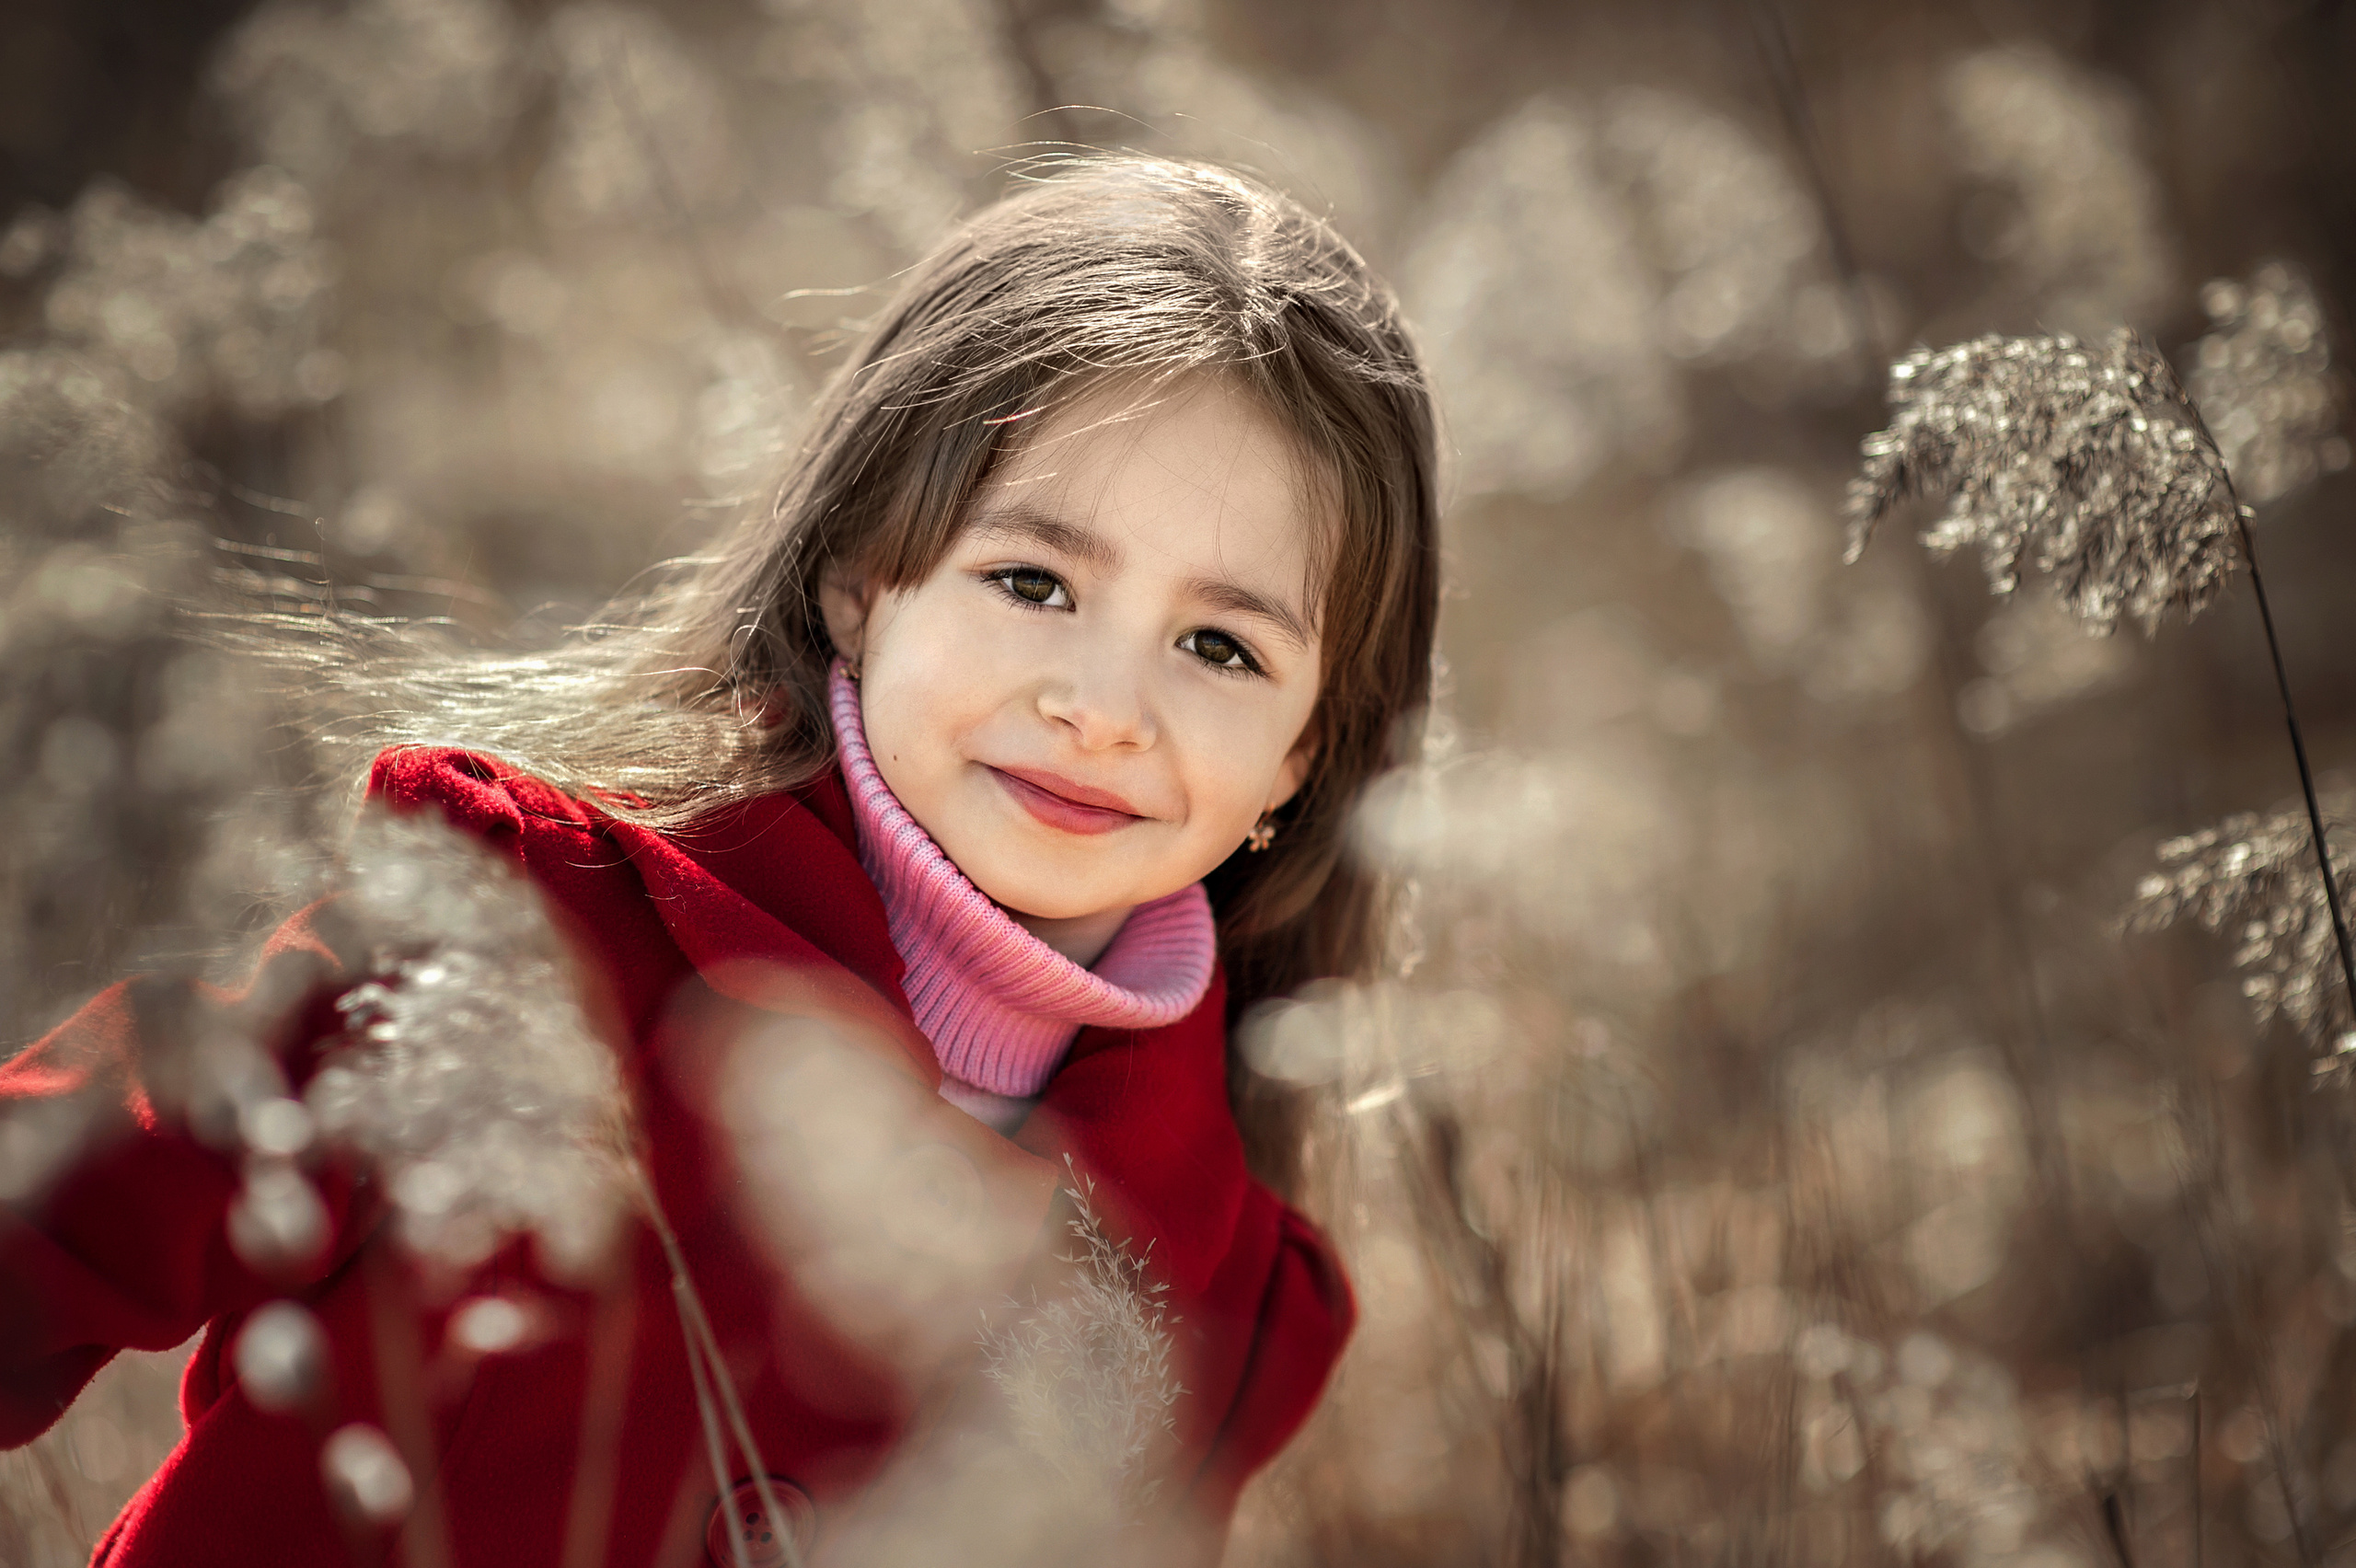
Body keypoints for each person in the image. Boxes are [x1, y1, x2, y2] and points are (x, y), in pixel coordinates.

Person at [0, 155, 1440, 1567]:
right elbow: (47, 1223)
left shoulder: (1223, 1296)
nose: (1105, 708)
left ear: (1304, 753)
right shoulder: (516, 936)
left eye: (1220, 647)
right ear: (861, 581)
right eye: (1032, 581)